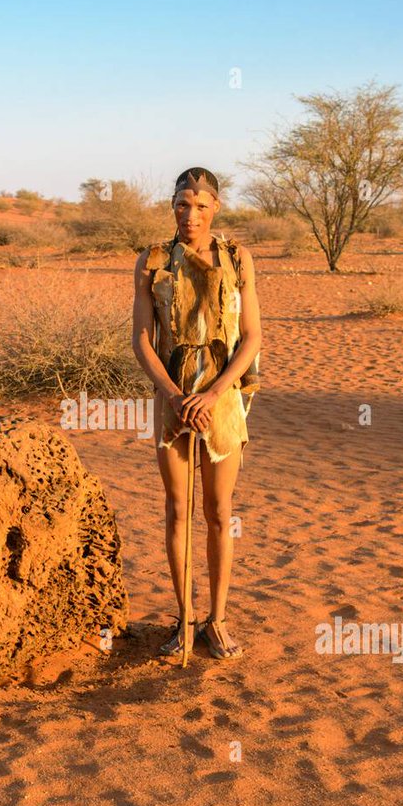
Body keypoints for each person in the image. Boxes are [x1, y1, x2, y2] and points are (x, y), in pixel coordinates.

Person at [132, 167, 262, 659]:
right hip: (171, 400)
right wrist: (173, 395)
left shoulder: (237, 258)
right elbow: (143, 339)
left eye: (201, 206)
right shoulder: (153, 260)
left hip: (222, 400)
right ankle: (184, 621)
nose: (191, 215)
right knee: (176, 510)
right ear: (173, 207)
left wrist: (211, 396)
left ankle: (218, 620)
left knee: (219, 511)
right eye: (183, 205)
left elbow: (251, 337)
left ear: (215, 208)